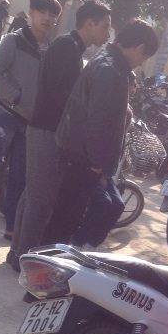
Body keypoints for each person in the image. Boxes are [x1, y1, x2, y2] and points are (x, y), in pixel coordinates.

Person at [10, 0, 112, 266]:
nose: (107, 34)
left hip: (47, 129)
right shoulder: (67, 47)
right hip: (46, 131)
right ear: (90, 24)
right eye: (105, 27)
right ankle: (25, 258)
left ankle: (17, 252)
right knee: (40, 201)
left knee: (33, 195)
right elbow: (62, 97)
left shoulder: (72, 47)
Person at [46, 19, 159, 242]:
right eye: (144, 57)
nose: (141, 63)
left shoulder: (110, 63)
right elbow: (98, 121)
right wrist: (97, 164)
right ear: (139, 48)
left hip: (80, 155)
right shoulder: (111, 70)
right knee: (64, 223)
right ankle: (48, 260)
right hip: (84, 160)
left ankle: (53, 256)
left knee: (65, 220)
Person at [0, 0, 61, 238]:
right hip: (5, 113)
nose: (47, 18)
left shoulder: (52, 49)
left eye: (52, 15)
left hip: (31, 122)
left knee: (19, 174)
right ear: (31, 13)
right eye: (42, 12)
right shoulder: (13, 41)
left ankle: (11, 225)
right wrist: (16, 97)